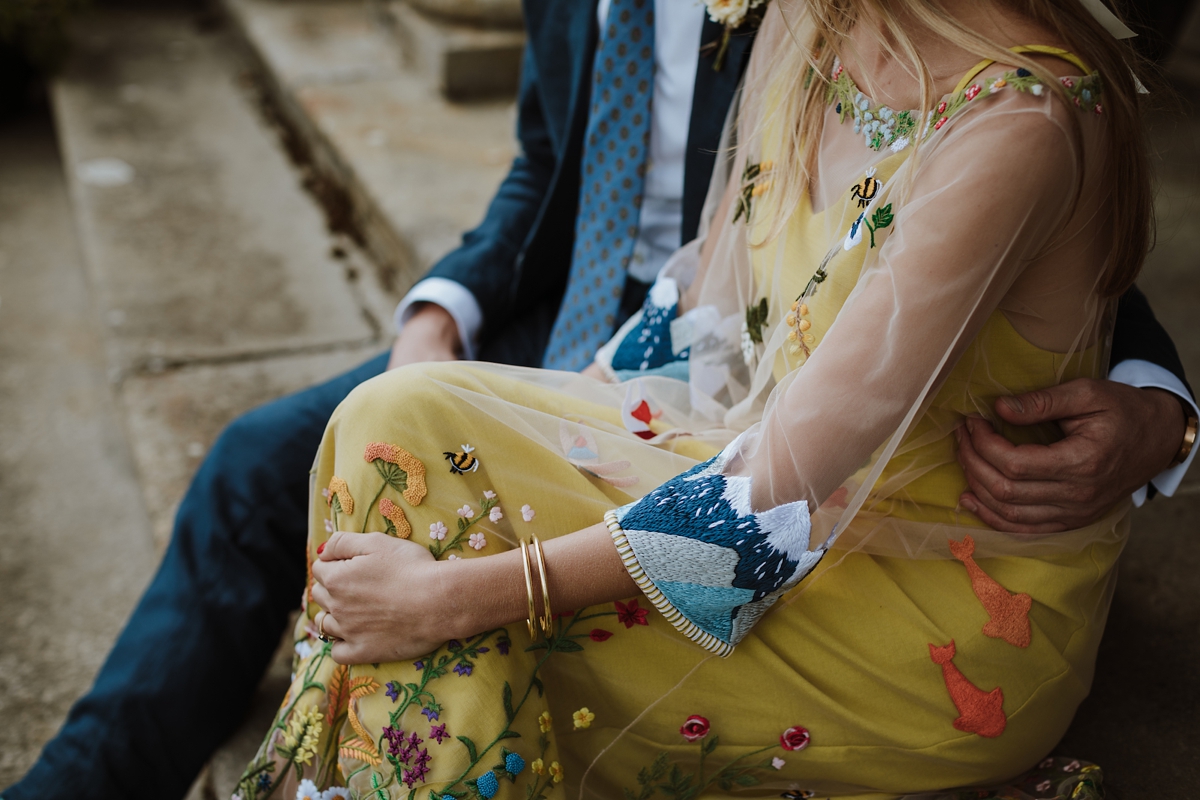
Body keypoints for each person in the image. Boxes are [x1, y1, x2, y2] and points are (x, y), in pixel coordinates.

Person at [4, 0, 1195, 797]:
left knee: (421, 548)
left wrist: (458, 589)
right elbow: (623, 249)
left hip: (908, 576)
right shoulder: (813, 18)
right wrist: (478, 379)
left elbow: (779, 482)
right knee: (385, 427)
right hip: (670, 375)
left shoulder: (1024, 123)